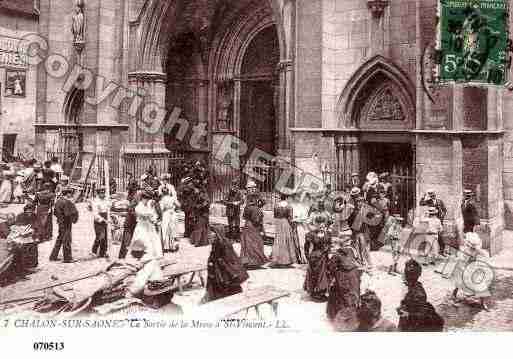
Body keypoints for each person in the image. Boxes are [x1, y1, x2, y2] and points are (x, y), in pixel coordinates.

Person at [202, 225, 249, 303]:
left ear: (218, 234)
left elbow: (225, 257)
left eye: (213, 233)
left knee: (222, 283)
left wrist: (214, 262)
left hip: (222, 268)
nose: (210, 235)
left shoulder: (222, 243)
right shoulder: (221, 242)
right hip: (221, 267)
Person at [327, 229, 362, 327]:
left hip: (343, 276)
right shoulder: (353, 250)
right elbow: (357, 262)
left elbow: (331, 267)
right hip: (354, 275)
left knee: (341, 295)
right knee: (353, 294)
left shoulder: (337, 254)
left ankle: (341, 317)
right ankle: (353, 315)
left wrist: (333, 275)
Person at [397, 259, 444, 331]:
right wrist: (402, 307)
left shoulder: (418, 293)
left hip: (411, 326)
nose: (403, 274)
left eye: (405, 272)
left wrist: (408, 315)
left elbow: (423, 314)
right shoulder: (410, 287)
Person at [451, 232, 491, 311]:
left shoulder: (476, 250)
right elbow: (461, 259)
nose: (472, 246)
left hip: (473, 268)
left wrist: (478, 250)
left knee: (480, 284)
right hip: (463, 267)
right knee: (459, 282)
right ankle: (454, 295)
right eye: (471, 244)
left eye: (473, 244)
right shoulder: (464, 249)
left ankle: (483, 302)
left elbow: (486, 255)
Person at [303, 216, 331, 302]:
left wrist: (327, 252)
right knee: (314, 274)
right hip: (315, 257)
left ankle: (321, 292)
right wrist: (308, 256)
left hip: (323, 258)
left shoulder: (327, 234)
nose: (322, 228)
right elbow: (306, 246)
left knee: (323, 275)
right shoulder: (311, 234)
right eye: (320, 226)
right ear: (317, 226)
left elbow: (329, 245)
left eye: (323, 226)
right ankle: (314, 292)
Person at [49, 187, 79, 263]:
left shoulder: (58, 201)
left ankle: (53, 256)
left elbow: (55, 212)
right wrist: (73, 217)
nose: (71, 195)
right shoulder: (67, 202)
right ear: (68, 194)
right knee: (67, 240)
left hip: (60, 222)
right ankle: (67, 258)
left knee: (59, 239)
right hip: (66, 223)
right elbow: (68, 214)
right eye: (70, 193)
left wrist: (60, 218)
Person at [240, 193, 268, 269]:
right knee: (256, 243)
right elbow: (256, 220)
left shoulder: (247, 207)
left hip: (246, 225)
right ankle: (254, 261)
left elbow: (244, 217)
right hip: (253, 227)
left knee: (247, 244)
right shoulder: (255, 209)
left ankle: (246, 261)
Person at [132, 189, 163, 259]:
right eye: (146, 199)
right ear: (142, 199)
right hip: (142, 227)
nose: (147, 201)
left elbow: (152, 215)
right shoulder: (139, 207)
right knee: (143, 240)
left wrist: (155, 220)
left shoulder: (147, 206)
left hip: (149, 226)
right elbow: (145, 215)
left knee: (153, 240)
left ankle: (152, 257)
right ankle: (142, 256)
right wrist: (150, 217)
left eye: (148, 199)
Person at [271, 193, 297, 267]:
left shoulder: (276, 205)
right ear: (286, 198)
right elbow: (290, 218)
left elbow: (275, 215)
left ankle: (277, 259)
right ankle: (286, 260)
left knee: (278, 240)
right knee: (286, 240)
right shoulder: (289, 206)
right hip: (286, 223)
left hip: (279, 223)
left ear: (280, 198)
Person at [420, 189, 447, 255]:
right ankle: (430, 250)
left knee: (440, 236)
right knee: (430, 236)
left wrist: (442, 216)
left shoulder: (440, 201)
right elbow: (421, 203)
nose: (432, 196)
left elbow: (444, 210)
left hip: (439, 220)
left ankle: (442, 250)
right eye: (431, 195)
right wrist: (424, 196)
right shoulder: (428, 201)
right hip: (431, 220)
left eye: (433, 195)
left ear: (435, 194)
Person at [91, 186, 111, 258]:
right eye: (101, 193)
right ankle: (94, 250)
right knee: (100, 236)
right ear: (98, 194)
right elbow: (95, 213)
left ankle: (103, 252)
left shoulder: (106, 200)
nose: (103, 194)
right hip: (98, 221)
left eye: (103, 193)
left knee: (105, 237)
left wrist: (108, 218)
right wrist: (102, 219)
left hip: (105, 218)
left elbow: (108, 208)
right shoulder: (95, 202)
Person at [118, 195, 139, 259]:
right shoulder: (136, 199)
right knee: (126, 241)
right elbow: (130, 209)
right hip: (129, 224)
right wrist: (137, 216)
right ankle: (121, 257)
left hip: (136, 224)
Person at [160, 187, 180, 253]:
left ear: (162, 193)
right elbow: (179, 205)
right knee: (172, 230)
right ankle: (173, 247)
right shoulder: (172, 198)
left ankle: (166, 247)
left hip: (166, 214)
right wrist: (173, 207)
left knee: (165, 230)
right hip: (172, 214)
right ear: (168, 192)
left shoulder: (162, 200)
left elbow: (161, 209)